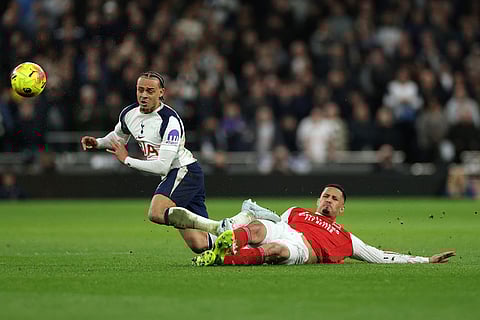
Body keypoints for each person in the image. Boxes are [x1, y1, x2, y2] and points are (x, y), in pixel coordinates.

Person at [80, 71, 217, 253]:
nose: (144, 95)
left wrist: (127, 160)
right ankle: (233, 237)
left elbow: (162, 166)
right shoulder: (129, 114)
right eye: (140, 90)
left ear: (161, 92)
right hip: (174, 175)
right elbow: (117, 137)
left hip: (184, 171)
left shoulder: (170, 121)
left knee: (156, 212)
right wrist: (97, 142)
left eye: (150, 91)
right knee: (200, 244)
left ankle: (219, 226)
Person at [167, 184, 455, 265]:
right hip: (288, 229)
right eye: (325, 196)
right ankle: (222, 241)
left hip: (302, 248)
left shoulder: (346, 237)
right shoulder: (296, 211)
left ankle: (219, 257)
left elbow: (380, 256)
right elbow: (272, 223)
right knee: (256, 231)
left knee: (276, 251)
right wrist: (253, 217)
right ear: (318, 200)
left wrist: (425, 259)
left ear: (341, 209)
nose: (327, 201)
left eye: (334, 199)